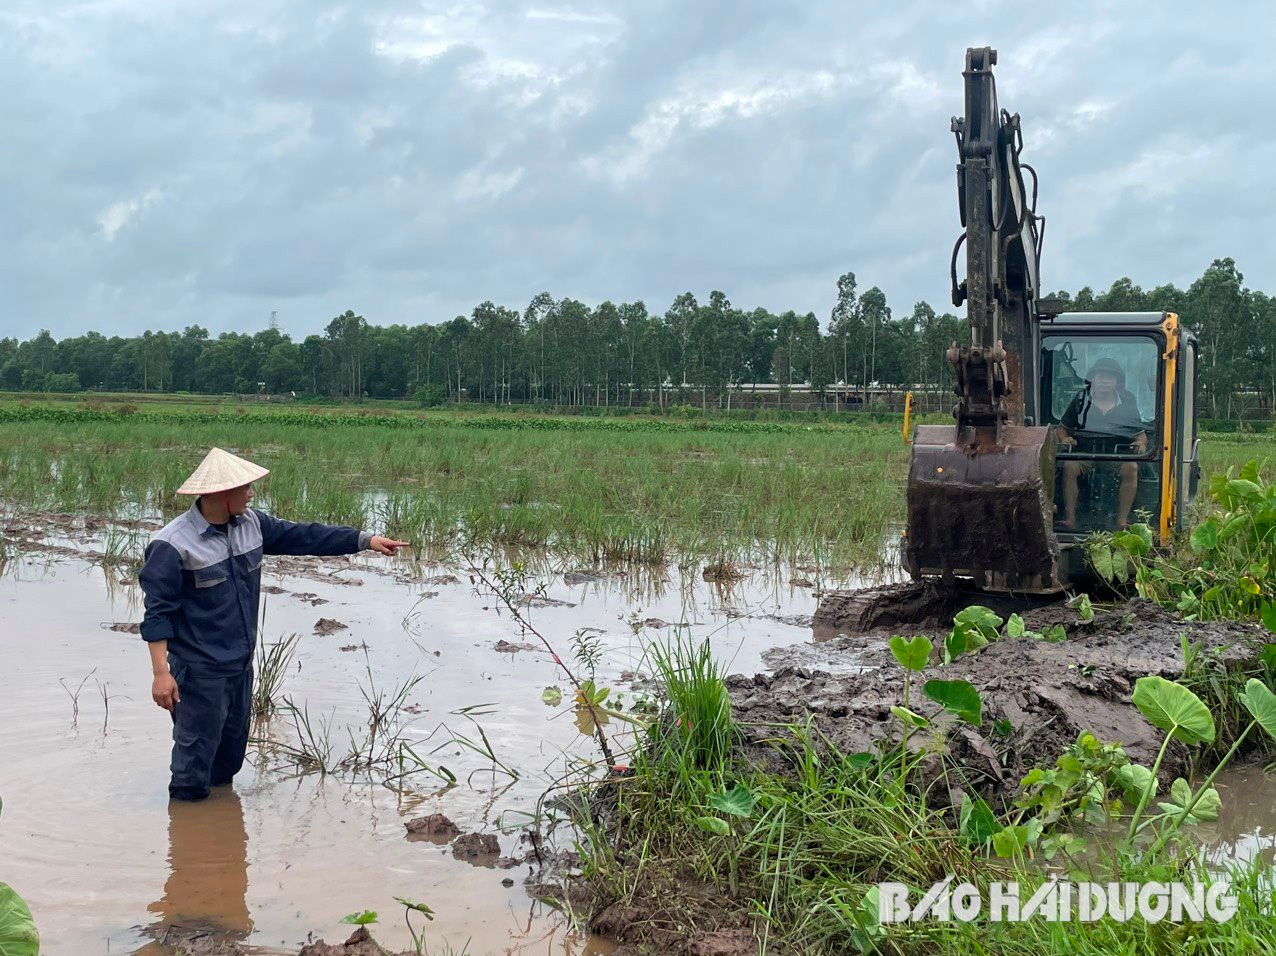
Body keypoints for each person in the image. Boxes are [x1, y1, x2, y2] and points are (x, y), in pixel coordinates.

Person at [138, 447, 408, 801]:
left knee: (228, 760)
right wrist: (161, 674)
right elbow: (158, 614)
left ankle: (221, 840)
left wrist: (364, 541)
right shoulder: (172, 545)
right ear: (221, 493)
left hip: (240, 665)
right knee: (192, 769)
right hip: (200, 673)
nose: (251, 493)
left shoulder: (252, 524)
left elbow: (305, 536)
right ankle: (189, 840)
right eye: (245, 487)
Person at [1055, 357, 1148, 529]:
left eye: (1110, 377)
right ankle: (1070, 520)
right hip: (1085, 455)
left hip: (1116, 456)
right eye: (1101, 376)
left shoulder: (1127, 401)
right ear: (1093, 380)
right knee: (1069, 466)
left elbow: (1141, 435)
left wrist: (1140, 443)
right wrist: (1065, 438)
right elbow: (1061, 429)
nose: (1105, 380)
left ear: (1117, 381)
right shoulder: (1081, 399)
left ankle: (1122, 521)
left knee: (1132, 468)